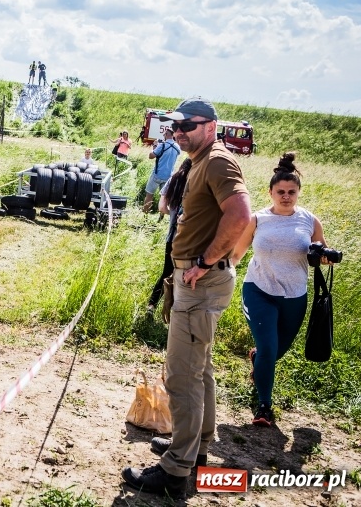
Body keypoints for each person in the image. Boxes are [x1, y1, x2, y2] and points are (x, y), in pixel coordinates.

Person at [122, 97, 251, 499]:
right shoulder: (200, 159)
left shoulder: (216, 160)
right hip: (196, 281)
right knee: (200, 371)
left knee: (182, 376)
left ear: (210, 126)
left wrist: (206, 260)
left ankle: (176, 471)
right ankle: (194, 450)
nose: (179, 133)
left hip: (199, 282)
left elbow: (242, 214)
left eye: (187, 126)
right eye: (175, 127)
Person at [230, 152, 330, 427]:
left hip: (294, 296)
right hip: (259, 289)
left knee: (275, 352)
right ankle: (264, 407)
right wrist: (221, 275)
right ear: (271, 192)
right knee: (268, 346)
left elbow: (320, 251)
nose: (286, 196)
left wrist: (324, 257)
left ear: (298, 192)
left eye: (291, 192)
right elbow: (237, 253)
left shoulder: (310, 220)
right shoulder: (258, 219)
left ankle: (257, 359)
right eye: (281, 191)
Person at [146, 158, 192, 316]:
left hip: (172, 238)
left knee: (166, 272)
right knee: (186, 276)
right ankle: (176, 312)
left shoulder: (174, 179)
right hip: (191, 241)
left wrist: (173, 214)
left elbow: (161, 207)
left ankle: (151, 305)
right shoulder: (197, 181)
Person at [143, 127, 182, 213]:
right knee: (164, 198)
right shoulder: (177, 147)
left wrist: (153, 147)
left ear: (166, 135)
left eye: (164, 134)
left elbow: (151, 156)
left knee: (149, 195)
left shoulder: (162, 145)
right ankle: (161, 216)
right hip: (168, 176)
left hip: (157, 174)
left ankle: (145, 215)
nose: (163, 135)